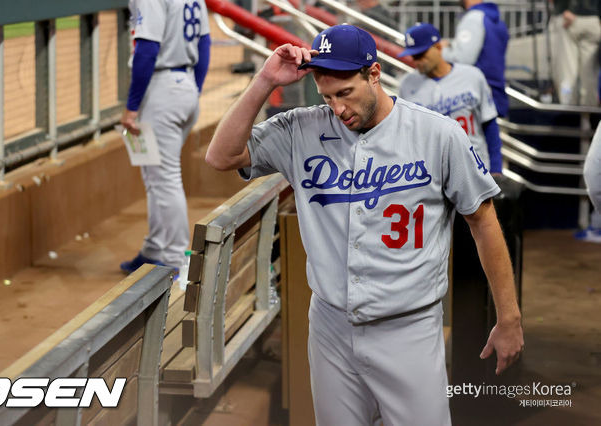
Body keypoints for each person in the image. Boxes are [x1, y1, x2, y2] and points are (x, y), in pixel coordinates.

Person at [205, 25, 523, 425]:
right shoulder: (301, 130)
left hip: (409, 326)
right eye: (326, 96)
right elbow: (221, 156)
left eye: (345, 93)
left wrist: (508, 317)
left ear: (374, 74)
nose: (337, 108)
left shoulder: (436, 134)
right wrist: (265, 80)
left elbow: (484, 222)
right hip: (331, 328)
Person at [120, 0, 211, 274]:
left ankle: (175, 260)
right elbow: (205, 45)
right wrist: (193, 91)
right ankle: (154, 248)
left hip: (160, 90)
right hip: (184, 86)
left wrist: (131, 107)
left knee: (166, 177)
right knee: (155, 176)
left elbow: (147, 50)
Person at [398, 23, 502, 174]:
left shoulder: (472, 76)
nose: (417, 61)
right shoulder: (407, 85)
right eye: (414, 56)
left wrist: (496, 168)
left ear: (438, 47)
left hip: (475, 168)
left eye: (421, 54)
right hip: (432, 173)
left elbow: (489, 124)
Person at [441, 0, 509, 117]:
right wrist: (452, 44)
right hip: (494, 93)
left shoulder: (473, 18)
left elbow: (462, 59)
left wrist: (439, 51)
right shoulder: (495, 19)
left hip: (476, 96)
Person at [548, 0, 601, 105]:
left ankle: (569, 110)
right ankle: (588, 116)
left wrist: (572, 8)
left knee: (566, 73)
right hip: (594, 19)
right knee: (590, 74)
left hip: (569, 18)